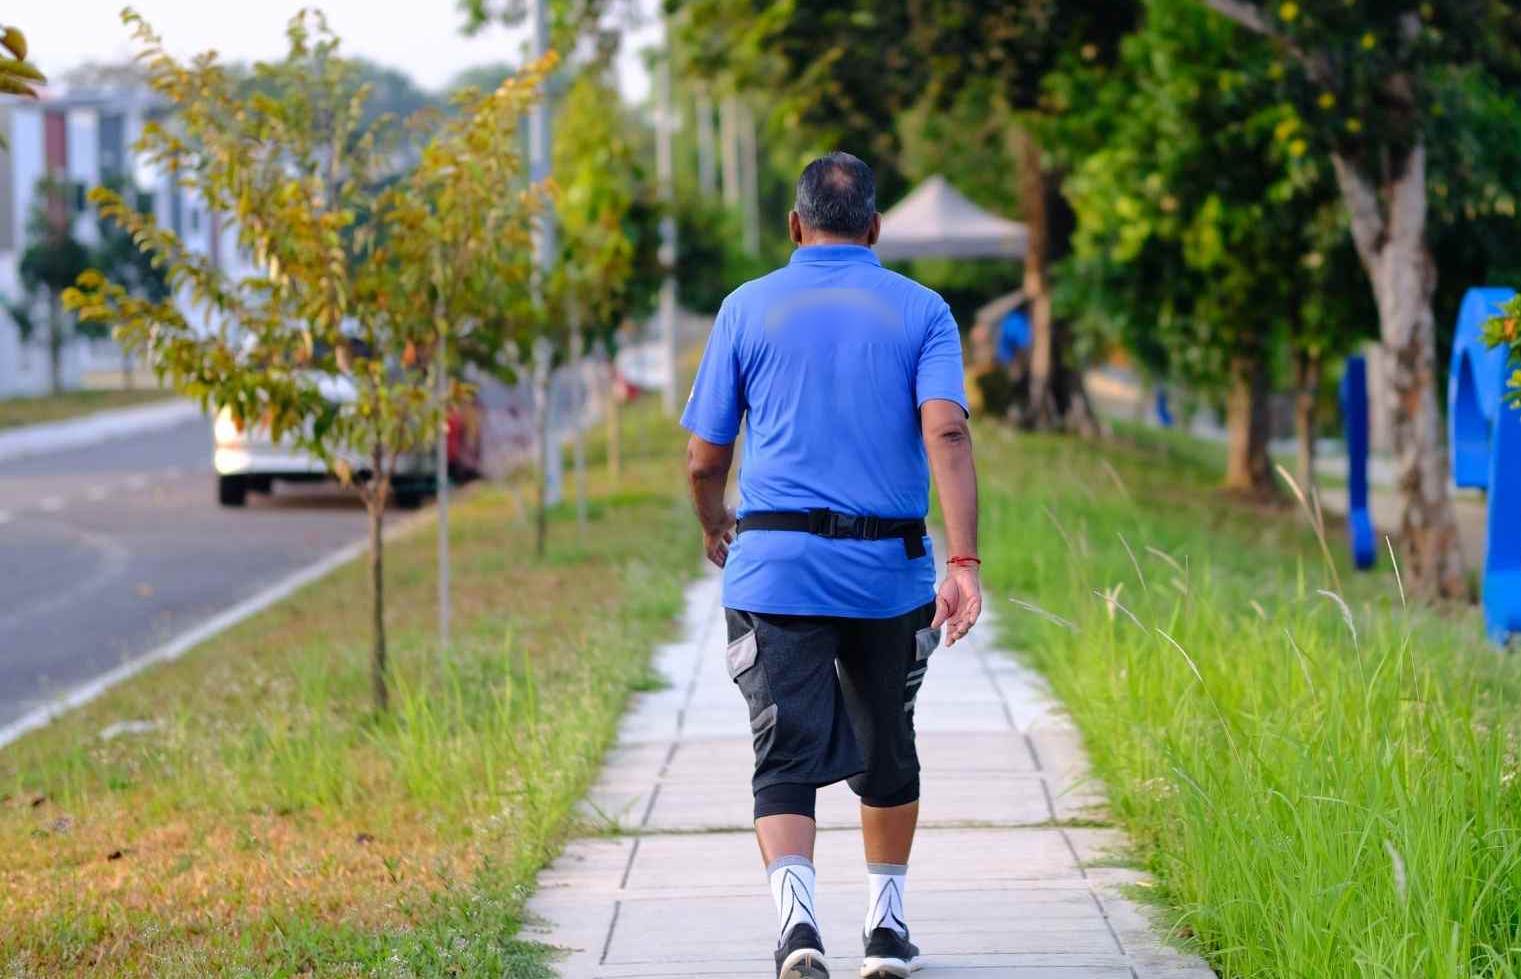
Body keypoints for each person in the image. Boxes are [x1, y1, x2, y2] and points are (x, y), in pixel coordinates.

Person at [682, 151, 982, 979]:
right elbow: (946, 432)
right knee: (888, 743)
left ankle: (797, 928)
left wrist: (714, 526)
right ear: (876, 227)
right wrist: (962, 559)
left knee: (783, 749)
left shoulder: (746, 308)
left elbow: (705, 457)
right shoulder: (922, 310)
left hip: (774, 569)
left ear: (794, 224)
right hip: (888, 571)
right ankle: (885, 929)